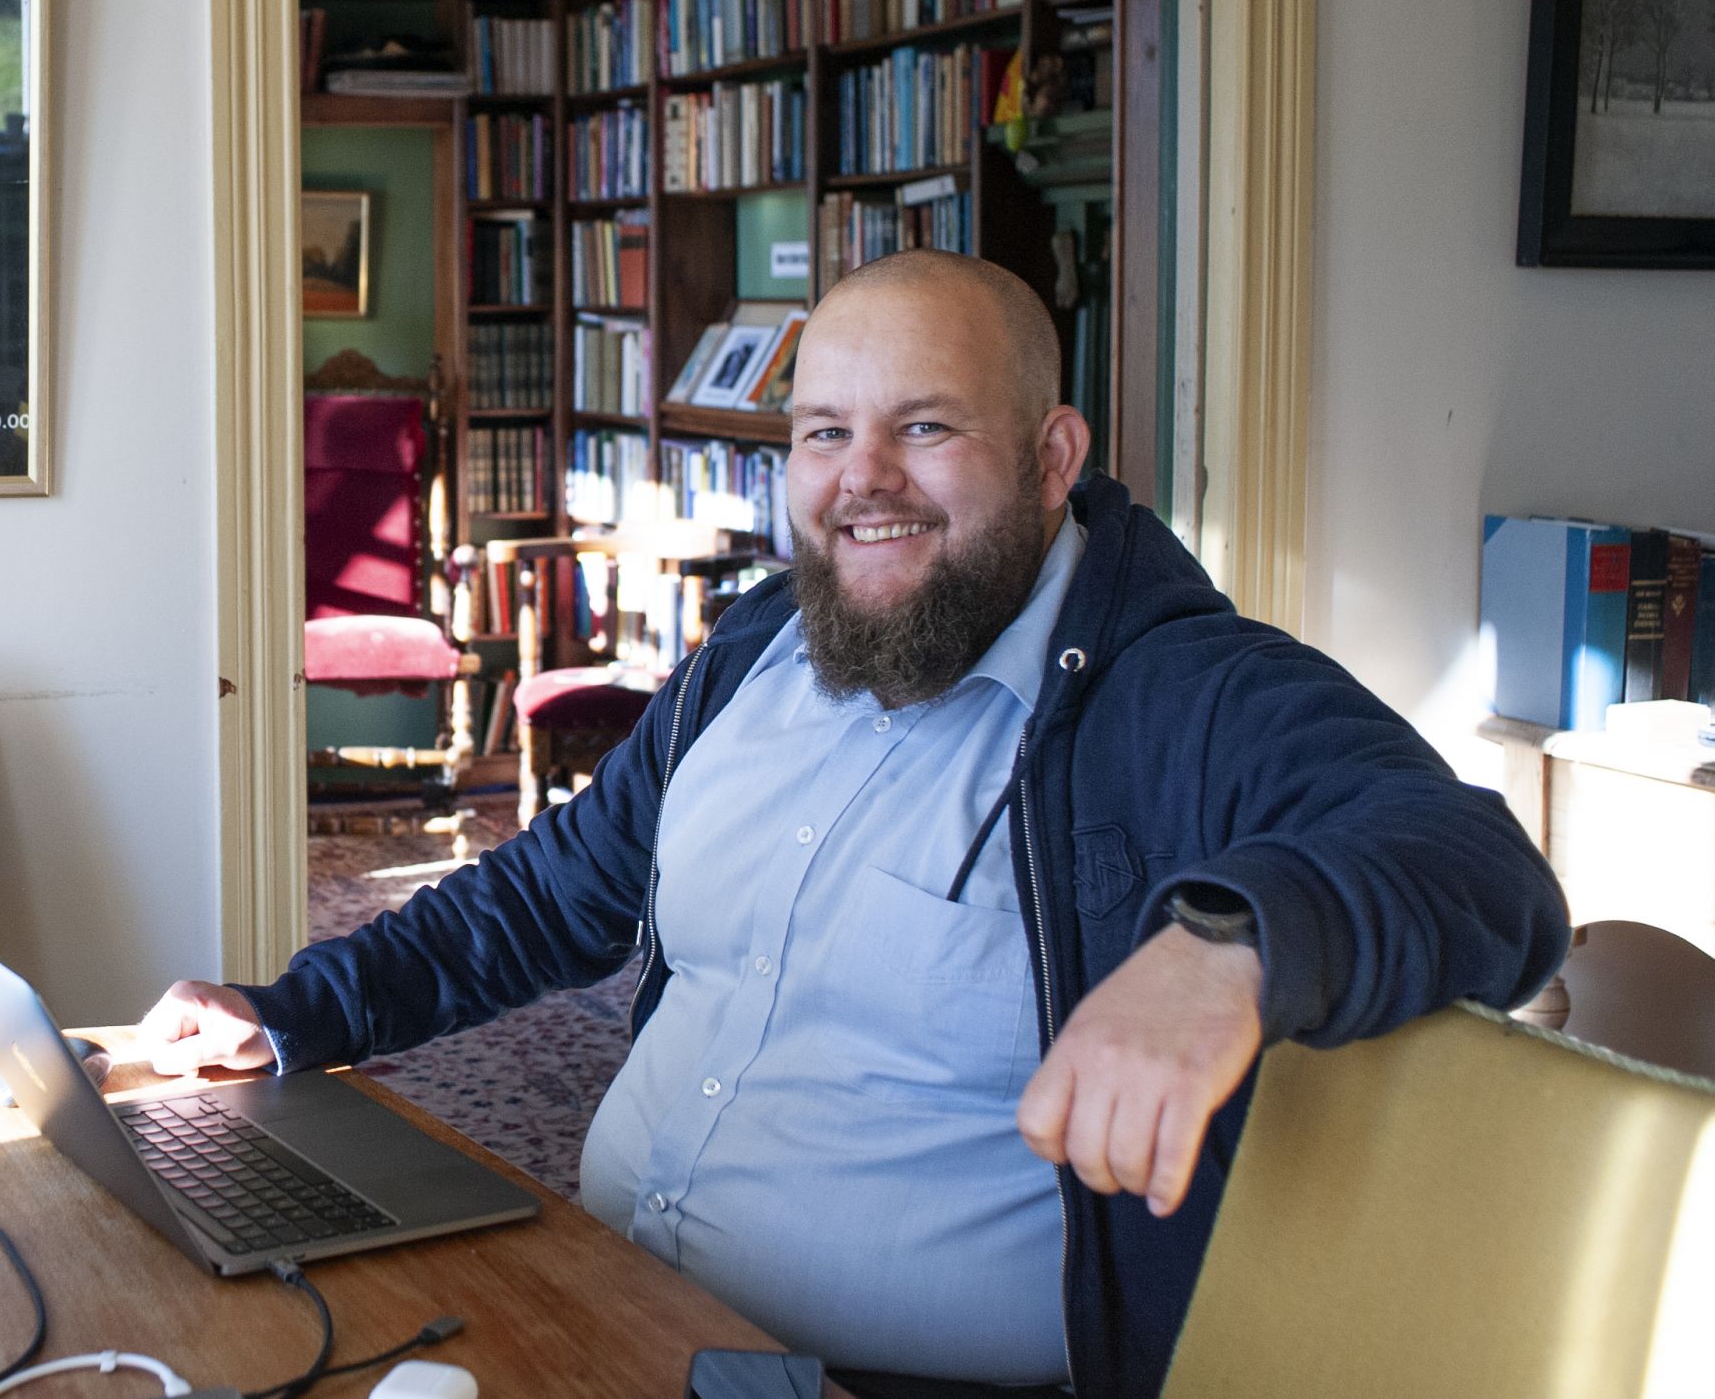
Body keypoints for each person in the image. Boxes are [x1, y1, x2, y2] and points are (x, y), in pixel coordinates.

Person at [141, 251, 1567, 1399]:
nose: (862, 479)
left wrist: (1224, 951)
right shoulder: (753, 651)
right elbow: (544, 900)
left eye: (924, 427)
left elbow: (1482, 869)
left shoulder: (1185, 692)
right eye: (825, 432)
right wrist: (288, 1013)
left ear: (1053, 454)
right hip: (602, 1302)